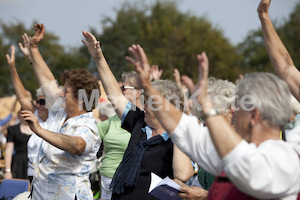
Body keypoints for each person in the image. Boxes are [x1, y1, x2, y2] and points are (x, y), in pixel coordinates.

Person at [128, 43, 300, 199]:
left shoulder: (285, 159)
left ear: (253, 116)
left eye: (237, 107)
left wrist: (210, 112)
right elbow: (188, 132)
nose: (233, 113)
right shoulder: (239, 152)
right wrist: (149, 89)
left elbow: (245, 163)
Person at [82, 32, 194, 199]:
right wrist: (98, 57)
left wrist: (176, 125)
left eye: (150, 102)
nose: (144, 105)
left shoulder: (177, 137)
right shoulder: (139, 122)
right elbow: (115, 94)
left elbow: (183, 174)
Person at [20, 24, 101, 200]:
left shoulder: (88, 125)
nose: (60, 93)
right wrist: (34, 48)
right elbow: (47, 80)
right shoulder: (60, 111)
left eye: (65, 91)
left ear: (81, 98)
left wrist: (40, 130)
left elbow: (77, 145)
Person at [7, 39, 49, 183]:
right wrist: (12, 68)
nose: (39, 105)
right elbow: (21, 96)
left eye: (43, 101)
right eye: (38, 102)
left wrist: (32, 57)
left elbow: (46, 81)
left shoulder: (57, 117)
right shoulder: (35, 113)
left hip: (50, 176)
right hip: (32, 174)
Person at [98, 71, 142, 200]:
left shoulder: (145, 121)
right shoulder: (113, 120)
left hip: (128, 183)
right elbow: (89, 136)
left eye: (124, 88)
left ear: (138, 92)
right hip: (106, 181)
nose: (120, 91)